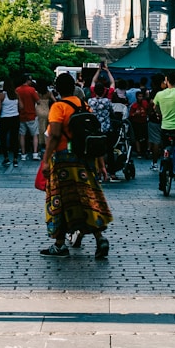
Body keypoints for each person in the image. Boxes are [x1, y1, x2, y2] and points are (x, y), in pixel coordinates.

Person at [39, 71, 112, 258]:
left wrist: (46, 160)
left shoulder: (58, 107)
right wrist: (101, 164)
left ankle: (59, 244)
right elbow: (93, 136)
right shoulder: (84, 105)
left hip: (63, 161)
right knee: (87, 199)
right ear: (74, 88)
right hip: (85, 160)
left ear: (57, 89)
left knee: (60, 201)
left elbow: (54, 135)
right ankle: (99, 237)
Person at [0, 80, 20, 168]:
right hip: (15, 117)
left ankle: (6, 158)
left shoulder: (2, 95)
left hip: (5, 118)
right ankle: (15, 159)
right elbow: (21, 106)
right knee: (14, 138)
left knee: (3, 138)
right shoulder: (16, 94)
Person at [16, 76, 40, 160]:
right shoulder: (31, 90)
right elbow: (38, 101)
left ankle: (23, 154)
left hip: (21, 115)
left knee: (22, 135)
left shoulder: (17, 90)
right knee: (34, 135)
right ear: (28, 81)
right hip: (31, 115)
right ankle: (35, 153)